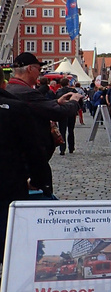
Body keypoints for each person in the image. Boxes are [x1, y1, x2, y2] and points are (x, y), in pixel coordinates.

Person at [6, 53, 80, 192]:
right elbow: (58, 113)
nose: (39, 75)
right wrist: (74, 101)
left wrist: (55, 102)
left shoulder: (11, 89)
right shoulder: (26, 92)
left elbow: (36, 106)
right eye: (38, 70)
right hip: (30, 159)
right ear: (30, 69)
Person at [0, 78, 51, 259]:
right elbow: (34, 150)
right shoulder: (17, 109)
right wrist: (38, 180)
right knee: (9, 241)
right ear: (3, 84)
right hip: (9, 185)